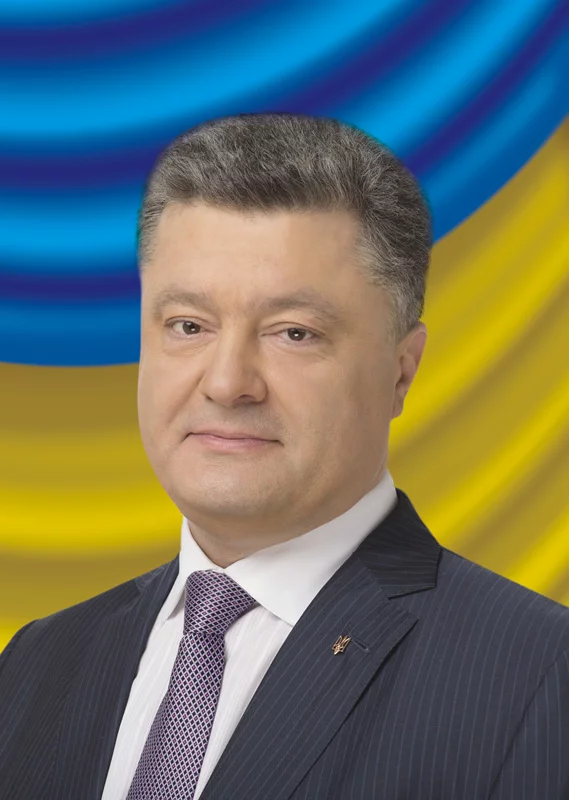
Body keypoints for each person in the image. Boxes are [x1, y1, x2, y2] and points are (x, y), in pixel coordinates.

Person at [1, 113, 568, 800]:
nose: (226, 383)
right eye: (188, 325)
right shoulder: (36, 663)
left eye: (293, 333)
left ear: (400, 371)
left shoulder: (540, 673)